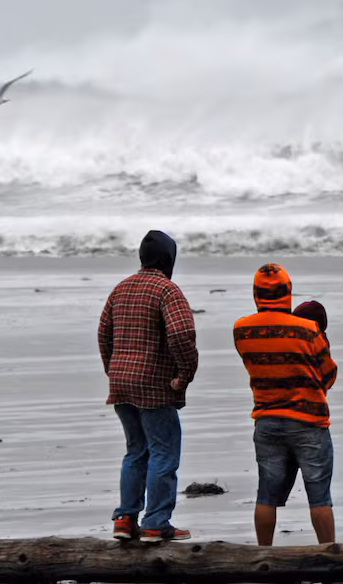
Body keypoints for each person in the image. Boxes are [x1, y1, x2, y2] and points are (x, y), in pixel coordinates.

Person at [98, 230, 199, 542]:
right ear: (169, 259)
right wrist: (185, 374)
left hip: (121, 382)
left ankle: (125, 520)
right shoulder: (166, 291)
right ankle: (156, 522)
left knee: (135, 451)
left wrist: (112, 370)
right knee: (163, 453)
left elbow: (104, 333)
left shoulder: (121, 288)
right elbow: (182, 334)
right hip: (153, 385)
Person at [233, 264, 339, 545]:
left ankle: (263, 555)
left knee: (266, 495)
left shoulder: (241, 330)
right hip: (309, 422)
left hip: (267, 421)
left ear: (256, 295)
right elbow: (328, 376)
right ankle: (329, 556)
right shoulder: (308, 330)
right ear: (287, 294)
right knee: (319, 497)